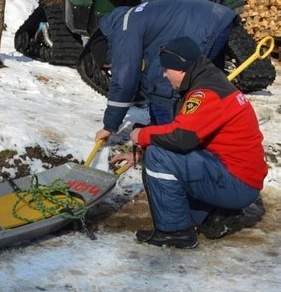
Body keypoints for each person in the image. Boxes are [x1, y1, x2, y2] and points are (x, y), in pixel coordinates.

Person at [114, 36, 267, 249]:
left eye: (167, 69)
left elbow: (182, 138)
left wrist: (142, 135)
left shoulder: (206, 94)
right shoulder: (207, 81)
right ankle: (213, 215)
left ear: (182, 69)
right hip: (235, 174)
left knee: (159, 156)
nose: (164, 74)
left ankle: (175, 232)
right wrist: (139, 151)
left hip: (237, 182)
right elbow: (187, 131)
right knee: (158, 152)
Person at [92, 0, 237, 143]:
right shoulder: (127, 19)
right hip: (217, 18)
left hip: (204, 26)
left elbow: (124, 80)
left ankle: (166, 137)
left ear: (108, 51)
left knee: (162, 86)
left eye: (110, 65)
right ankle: (209, 128)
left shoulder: (123, 32)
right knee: (208, 81)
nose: (112, 68)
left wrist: (109, 126)